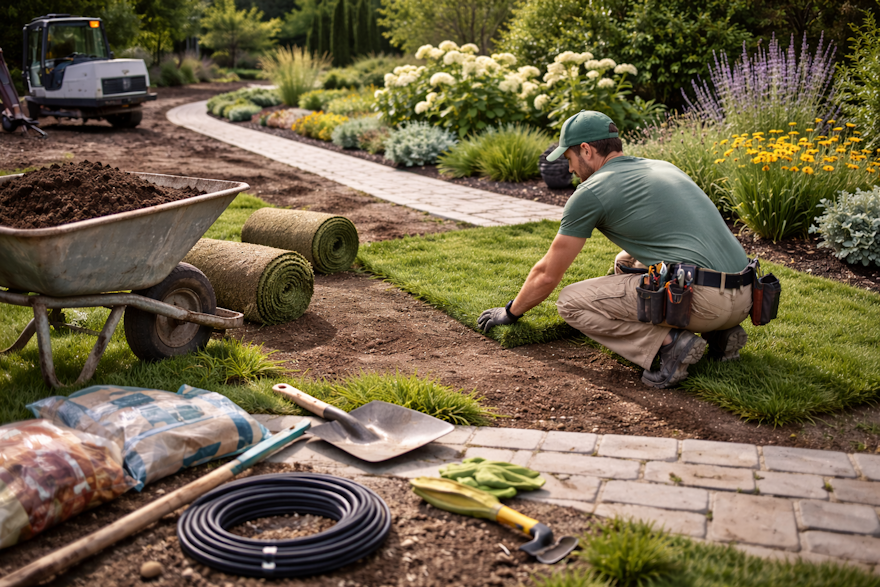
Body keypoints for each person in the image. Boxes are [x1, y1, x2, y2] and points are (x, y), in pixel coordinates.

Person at [478, 110, 753, 389]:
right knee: (624, 261)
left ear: (586, 150)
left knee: (570, 302)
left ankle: (671, 344)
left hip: (704, 302)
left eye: (569, 159)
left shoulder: (591, 192)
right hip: (745, 297)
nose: (570, 169)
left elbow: (548, 272)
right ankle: (720, 335)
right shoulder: (664, 167)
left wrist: (511, 312)